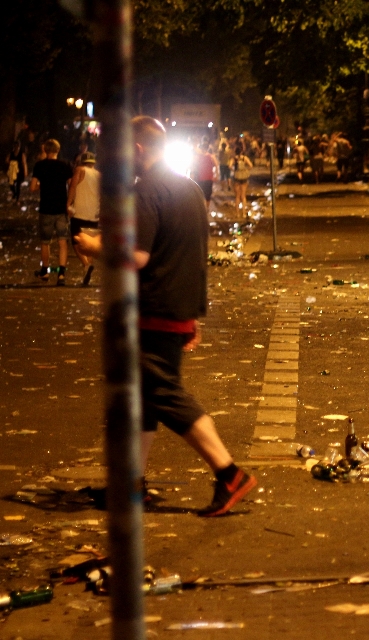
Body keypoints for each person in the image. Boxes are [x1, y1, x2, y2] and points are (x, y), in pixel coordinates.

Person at [75, 116, 257, 516]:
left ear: (138, 150)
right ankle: (131, 486)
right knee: (143, 401)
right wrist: (190, 316)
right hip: (176, 307)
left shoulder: (148, 190)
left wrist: (93, 247)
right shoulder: (190, 188)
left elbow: (137, 256)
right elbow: (183, 250)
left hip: (152, 309)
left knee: (164, 396)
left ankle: (229, 474)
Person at [30, 139, 73, 285]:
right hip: (61, 208)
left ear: (45, 150)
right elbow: (71, 184)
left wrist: (43, 184)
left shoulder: (39, 166)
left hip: (46, 208)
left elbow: (32, 187)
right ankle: (61, 274)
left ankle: (45, 271)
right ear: (58, 150)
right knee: (62, 242)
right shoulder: (65, 165)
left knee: (45, 242)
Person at [67, 152, 100, 286]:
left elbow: (73, 187)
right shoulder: (99, 175)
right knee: (89, 243)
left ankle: (86, 264)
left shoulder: (79, 170)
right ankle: (88, 269)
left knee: (76, 240)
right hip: (94, 213)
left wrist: (68, 203)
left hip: (80, 211)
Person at [190, 138, 217, 212]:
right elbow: (216, 165)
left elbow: (216, 165)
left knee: (206, 194)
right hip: (203, 178)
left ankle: (206, 209)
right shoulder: (202, 157)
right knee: (205, 195)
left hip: (205, 178)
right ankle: (205, 209)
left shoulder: (209, 156)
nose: (202, 150)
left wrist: (216, 175)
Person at [231, 145, 253, 214]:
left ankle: (237, 213)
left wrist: (234, 171)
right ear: (241, 152)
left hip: (236, 177)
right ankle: (243, 213)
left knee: (237, 196)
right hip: (244, 177)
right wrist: (246, 170)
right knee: (243, 196)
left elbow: (229, 166)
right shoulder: (245, 158)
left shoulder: (234, 159)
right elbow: (251, 166)